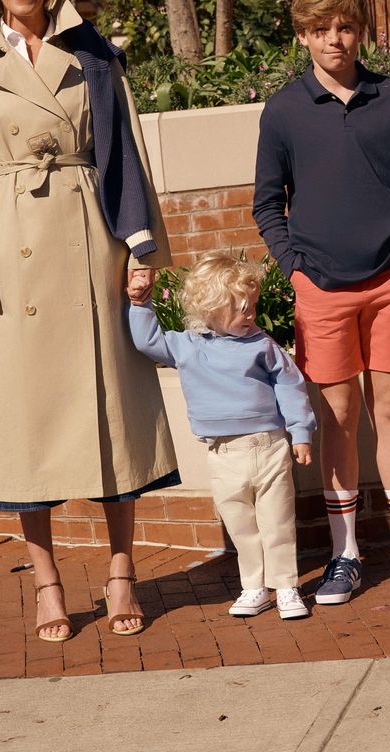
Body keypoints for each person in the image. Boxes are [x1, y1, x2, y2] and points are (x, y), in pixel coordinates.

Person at [0, 0, 179, 643]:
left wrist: (140, 252)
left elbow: (126, 155)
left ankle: (122, 573)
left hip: (85, 239)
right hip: (8, 248)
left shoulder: (93, 52)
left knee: (112, 422)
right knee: (23, 428)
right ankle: (47, 585)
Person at [252, 0, 390, 602]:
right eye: (320, 30)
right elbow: (267, 203)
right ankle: (345, 552)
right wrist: (297, 269)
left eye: (345, 27)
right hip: (322, 288)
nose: (334, 40)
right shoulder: (284, 110)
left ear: (361, 30)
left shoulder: (389, 97)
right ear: (303, 36)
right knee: (338, 415)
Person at [128, 250, 316, 618]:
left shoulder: (262, 345)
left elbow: (291, 387)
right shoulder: (187, 344)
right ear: (211, 309)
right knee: (240, 525)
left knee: (277, 521)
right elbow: (147, 341)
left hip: (270, 446)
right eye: (241, 309)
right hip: (222, 454)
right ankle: (254, 587)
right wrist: (140, 304)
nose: (251, 316)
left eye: (252, 308)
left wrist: (302, 433)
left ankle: (287, 587)